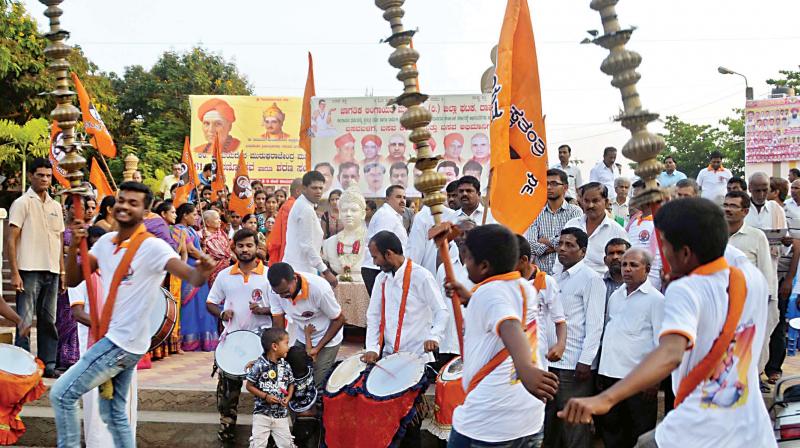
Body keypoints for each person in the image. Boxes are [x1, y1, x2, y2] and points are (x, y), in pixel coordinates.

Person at [558, 198, 775, 448]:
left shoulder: (687, 289)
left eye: (664, 246)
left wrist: (605, 399)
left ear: (684, 252)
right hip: (751, 427)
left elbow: (671, 352)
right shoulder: (751, 277)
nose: (663, 255)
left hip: (697, 428)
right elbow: (713, 239)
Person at [53, 181, 215, 448]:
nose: (125, 206)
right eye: (122, 200)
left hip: (122, 342)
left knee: (62, 394)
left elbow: (191, 276)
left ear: (146, 210)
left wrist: (203, 269)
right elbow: (72, 279)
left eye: (133, 203)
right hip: (117, 341)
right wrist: (75, 244)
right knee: (114, 412)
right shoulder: (105, 242)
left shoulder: (153, 247)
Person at [443, 224, 559, 447]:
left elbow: (510, 326)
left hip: (489, 421)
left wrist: (525, 369)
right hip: (528, 417)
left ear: (484, 265)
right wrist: (468, 298)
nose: (464, 263)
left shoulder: (490, 293)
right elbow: (502, 312)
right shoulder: (523, 287)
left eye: (467, 258)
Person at [363, 231, 448, 448]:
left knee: (410, 420)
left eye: (376, 257)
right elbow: (373, 316)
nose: (374, 262)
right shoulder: (382, 279)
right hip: (391, 359)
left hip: (417, 360)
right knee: (390, 418)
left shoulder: (421, 276)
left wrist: (433, 336)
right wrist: (373, 348)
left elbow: (441, 311)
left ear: (389, 254)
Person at [206, 228, 272, 444]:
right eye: (241, 246)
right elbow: (210, 302)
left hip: (262, 342)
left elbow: (282, 307)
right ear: (234, 248)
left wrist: (266, 310)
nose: (245, 250)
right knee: (227, 394)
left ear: (257, 248)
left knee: (266, 390)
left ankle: (265, 435)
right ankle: (227, 432)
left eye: (249, 245)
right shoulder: (225, 275)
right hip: (233, 341)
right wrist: (222, 313)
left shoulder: (268, 275)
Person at [543, 227, 605, 448]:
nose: (562, 249)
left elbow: (595, 324)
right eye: (560, 244)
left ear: (583, 251)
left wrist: (586, 360)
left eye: (570, 245)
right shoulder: (554, 278)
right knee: (551, 424)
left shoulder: (591, 279)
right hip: (551, 361)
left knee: (574, 425)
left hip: (575, 364)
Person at [596, 248, 664, 448]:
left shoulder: (656, 300)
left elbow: (661, 343)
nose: (627, 269)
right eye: (625, 264)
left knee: (639, 432)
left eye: (633, 265)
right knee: (612, 430)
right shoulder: (616, 296)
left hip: (639, 380)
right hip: (610, 375)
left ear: (647, 269)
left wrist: (654, 380)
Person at [8, 158, 64, 377]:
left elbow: (58, 240)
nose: (45, 179)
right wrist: (14, 272)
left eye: (48, 176)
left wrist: (62, 270)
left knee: (49, 320)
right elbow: (11, 239)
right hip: (28, 268)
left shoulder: (56, 206)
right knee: (24, 318)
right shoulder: (22, 202)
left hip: (52, 270)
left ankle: (48, 363)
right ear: (31, 176)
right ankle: (22, 365)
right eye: (40, 175)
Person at [268, 262, 346, 388]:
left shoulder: (319, 289)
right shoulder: (275, 290)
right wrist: (277, 350)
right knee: (295, 375)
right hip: (303, 335)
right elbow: (278, 322)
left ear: (294, 279)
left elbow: (340, 319)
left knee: (316, 382)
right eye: (279, 293)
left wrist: (318, 348)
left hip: (327, 337)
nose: (282, 296)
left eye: (286, 292)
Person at [515, 235, 566, 372]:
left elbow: (560, 321)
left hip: (536, 352)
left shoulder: (546, 282)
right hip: (510, 353)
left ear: (524, 260)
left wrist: (560, 345)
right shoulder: (506, 283)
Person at [175, 203, 219, 352]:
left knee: (201, 305)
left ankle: (203, 340)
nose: (196, 217)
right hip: (190, 269)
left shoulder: (191, 230)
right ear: (184, 215)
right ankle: (189, 341)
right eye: (193, 214)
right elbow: (191, 249)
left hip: (198, 269)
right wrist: (206, 258)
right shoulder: (180, 230)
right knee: (191, 307)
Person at [283, 172, 338, 288]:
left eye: (320, 188)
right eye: (314, 188)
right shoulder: (305, 209)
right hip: (300, 270)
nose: (318, 191)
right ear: (304, 188)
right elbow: (307, 245)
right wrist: (326, 271)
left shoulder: (305, 205)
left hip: (302, 268)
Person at [560, 182, 629, 275]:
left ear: (606, 202)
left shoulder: (617, 231)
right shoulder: (572, 224)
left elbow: (625, 263)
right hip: (569, 280)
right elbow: (559, 260)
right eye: (586, 201)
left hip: (603, 284)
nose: (590, 205)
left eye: (595, 201)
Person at [246, 328, 296, 448]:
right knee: (258, 445)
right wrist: (265, 396)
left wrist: (288, 397)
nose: (288, 347)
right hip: (262, 414)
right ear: (275, 346)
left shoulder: (286, 365)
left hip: (281, 415)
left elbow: (291, 383)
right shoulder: (259, 365)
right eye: (286, 343)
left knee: (287, 444)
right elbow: (249, 386)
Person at [527, 169, 584, 276]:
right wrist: (557, 245)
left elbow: (574, 241)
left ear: (565, 187)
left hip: (566, 274)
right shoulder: (535, 212)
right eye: (547, 184)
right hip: (541, 276)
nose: (549, 187)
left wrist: (545, 241)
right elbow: (531, 245)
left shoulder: (575, 211)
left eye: (554, 184)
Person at [435, 219, 476, 363]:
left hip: (472, 341)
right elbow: (439, 304)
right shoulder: (444, 268)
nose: (463, 237)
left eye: (469, 233)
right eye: (460, 233)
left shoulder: (482, 270)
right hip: (448, 342)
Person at [361, 185, 408, 295]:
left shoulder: (393, 215)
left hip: (383, 268)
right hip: (379, 269)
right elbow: (382, 244)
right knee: (384, 308)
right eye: (398, 197)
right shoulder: (385, 215)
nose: (402, 201)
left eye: (404, 198)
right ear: (387, 199)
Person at [626, 183, 663, 290]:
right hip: (631, 278)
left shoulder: (661, 221)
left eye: (637, 196)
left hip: (652, 280)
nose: (633, 199)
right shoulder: (634, 221)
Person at [267, 178, 302, 266]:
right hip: (291, 256)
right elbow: (288, 236)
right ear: (298, 191)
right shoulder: (292, 206)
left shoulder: (290, 205)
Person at [602, 238, 630, 308]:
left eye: (620, 253)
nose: (615, 257)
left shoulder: (638, 285)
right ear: (605, 260)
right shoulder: (599, 284)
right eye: (611, 253)